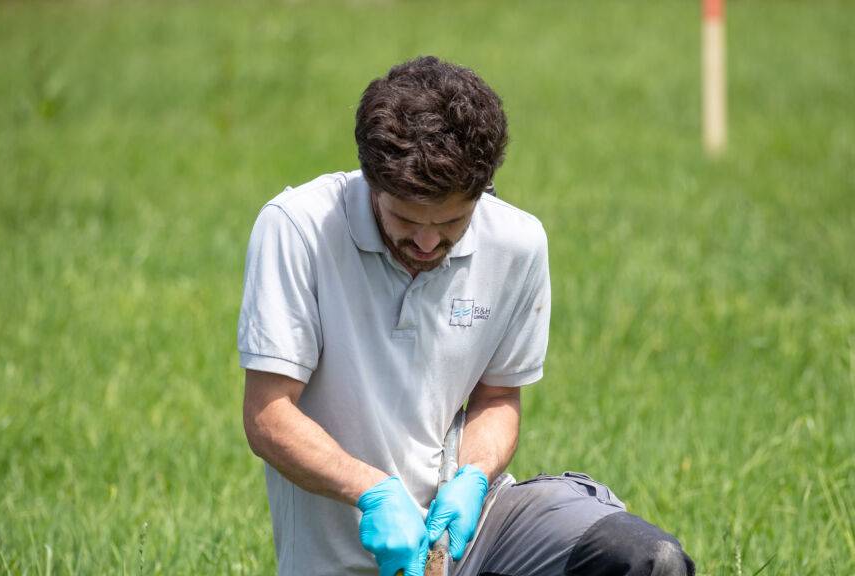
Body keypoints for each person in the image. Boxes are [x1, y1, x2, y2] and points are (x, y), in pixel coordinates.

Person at [238, 55, 695, 576]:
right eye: (405, 218)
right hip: (342, 558)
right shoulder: (297, 229)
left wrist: (473, 476)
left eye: (452, 220)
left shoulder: (517, 243)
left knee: (649, 561)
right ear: (371, 181)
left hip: (476, 534)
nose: (426, 242)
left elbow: (498, 398)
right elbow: (267, 416)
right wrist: (370, 491)